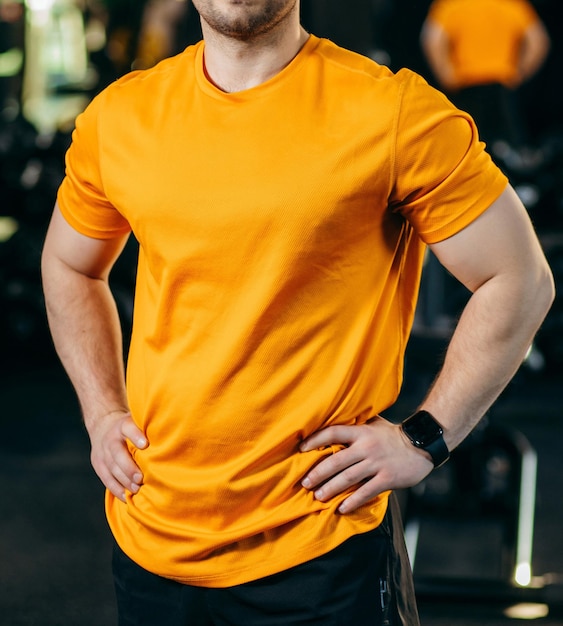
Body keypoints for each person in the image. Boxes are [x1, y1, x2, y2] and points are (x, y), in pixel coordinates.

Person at [40, 1, 555, 624]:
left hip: (321, 546)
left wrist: (424, 438)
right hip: (153, 538)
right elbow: (70, 264)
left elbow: (521, 279)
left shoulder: (390, 112)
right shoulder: (120, 118)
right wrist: (101, 412)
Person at [420, 0, 551, 150]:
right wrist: (520, 73)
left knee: (464, 149)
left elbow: (432, 40)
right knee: (510, 151)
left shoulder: (451, 5)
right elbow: (539, 42)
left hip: (466, 88)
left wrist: (446, 74)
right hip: (501, 89)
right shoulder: (513, 5)